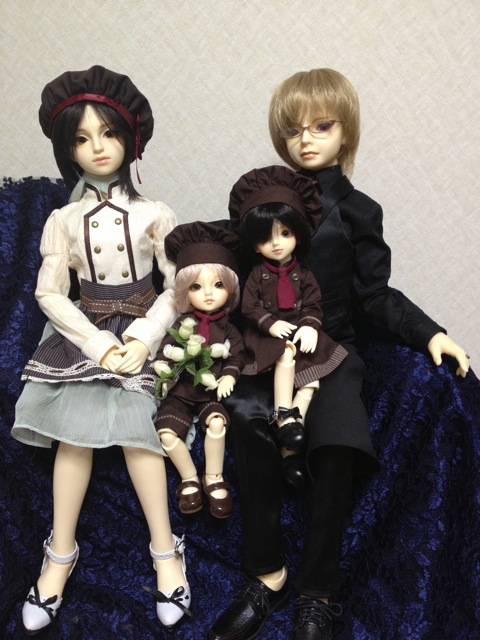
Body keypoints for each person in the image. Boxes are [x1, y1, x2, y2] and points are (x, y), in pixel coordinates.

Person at [208, 68, 470, 640]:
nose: (306, 139)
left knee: (338, 440)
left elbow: (374, 294)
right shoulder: (262, 199)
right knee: (247, 417)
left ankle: (317, 592)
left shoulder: (358, 210)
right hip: (267, 347)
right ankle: (268, 574)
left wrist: (429, 332)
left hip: (332, 348)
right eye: (293, 129)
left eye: (321, 126)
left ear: (345, 131)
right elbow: (230, 273)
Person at [12, 65, 191, 634]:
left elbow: (177, 287)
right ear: (68, 149)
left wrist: (142, 338)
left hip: (142, 325)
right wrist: (96, 341)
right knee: (73, 438)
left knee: (142, 436)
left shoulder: (155, 213)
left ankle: (166, 551)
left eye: (108, 134)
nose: (97, 148)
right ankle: (59, 554)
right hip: (85, 327)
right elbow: (49, 293)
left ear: (130, 137)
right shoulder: (62, 219)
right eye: (82, 138)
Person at [234, 166, 347, 487]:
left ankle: (292, 437)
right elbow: (249, 307)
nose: (277, 244)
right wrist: (270, 324)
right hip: (267, 336)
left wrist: (310, 326)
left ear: (298, 233)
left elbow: (313, 304)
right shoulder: (257, 275)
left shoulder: (305, 274)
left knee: (312, 380)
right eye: (266, 238)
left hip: (300, 332)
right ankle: (283, 414)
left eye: (285, 233)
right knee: (285, 354)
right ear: (255, 245)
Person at [154, 221, 244, 518]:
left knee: (217, 424)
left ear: (230, 289)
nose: (208, 294)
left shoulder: (228, 329)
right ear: (184, 290)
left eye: (218, 285)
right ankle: (189, 477)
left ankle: (214, 477)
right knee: (167, 433)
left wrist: (229, 374)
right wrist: (165, 375)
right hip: (180, 393)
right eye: (196, 286)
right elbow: (165, 350)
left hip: (209, 393)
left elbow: (237, 355)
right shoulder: (182, 324)